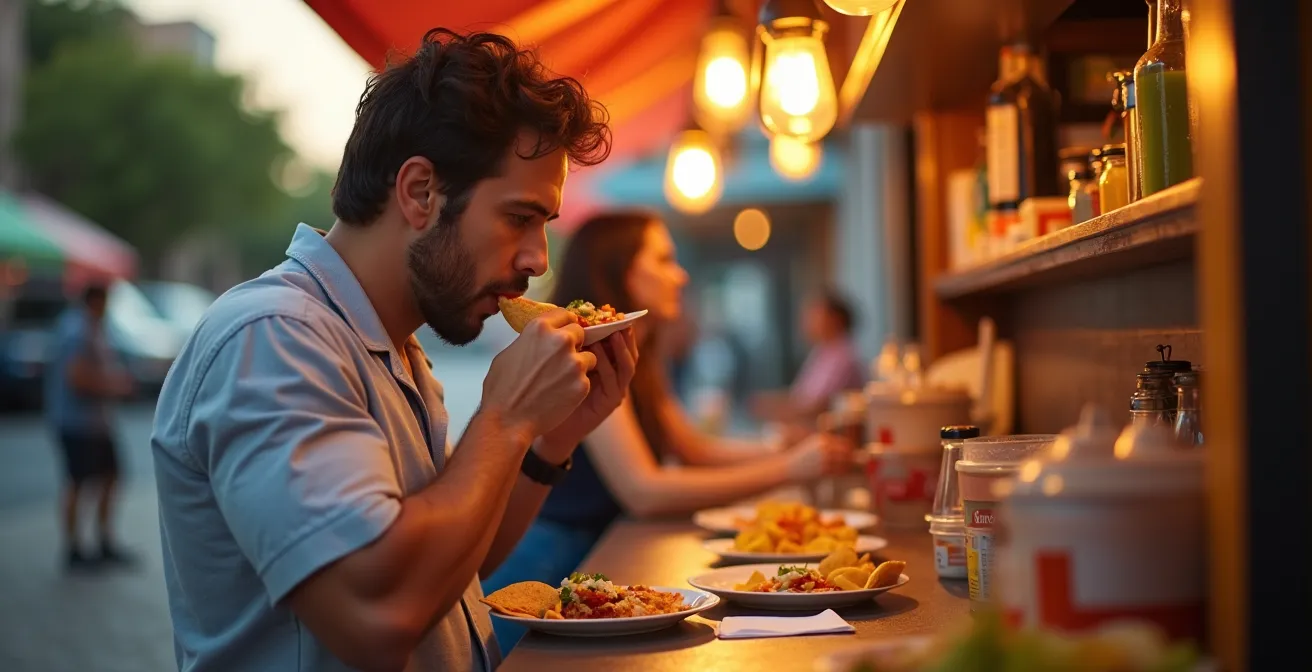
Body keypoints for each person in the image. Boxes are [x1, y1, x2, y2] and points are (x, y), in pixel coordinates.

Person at [150, 30, 636, 672]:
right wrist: (506, 416)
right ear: (419, 193)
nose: (537, 261)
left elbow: (455, 569)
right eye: (520, 217)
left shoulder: (395, 347)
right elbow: (378, 615)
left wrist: (547, 443)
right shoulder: (274, 337)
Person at [482, 211, 854, 653]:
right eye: (663, 260)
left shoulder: (635, 350)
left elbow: (693, 448)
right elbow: (645, 490)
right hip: (551, 563)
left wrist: (778, 449)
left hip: (596, 559)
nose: (680, 275)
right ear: (619, 272)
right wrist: (790, 467)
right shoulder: (585, 350)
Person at [44, 282, 135, 569]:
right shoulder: (76, 329)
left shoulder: (93, 326)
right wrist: (113, 385)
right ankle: (73, 549)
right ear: (96, 300)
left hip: (97, 423)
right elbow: (77, 378)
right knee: (78, 482)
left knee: (110, 476)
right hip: (77, 422)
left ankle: (103, 541)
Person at [750, 290, 866, 427]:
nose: (807, 320)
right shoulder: (822, 352)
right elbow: (801, 397)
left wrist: (772, 408)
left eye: (815, 313)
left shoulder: (844, 358)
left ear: (835, 319)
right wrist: (769, 402)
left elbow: (819, 406)